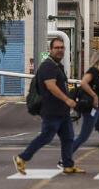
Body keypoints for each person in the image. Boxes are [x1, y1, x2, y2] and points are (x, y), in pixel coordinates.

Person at [13, 37, 84, 175]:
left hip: (62, 111)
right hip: (52, 110)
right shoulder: (48, 66)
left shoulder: (57, 66)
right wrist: (67, 100)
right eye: (56, 48)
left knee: (68, 137)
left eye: (62, 48)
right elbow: (51, 86)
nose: (60, 50)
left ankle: (68, 165)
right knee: (46, 136)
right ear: (50, 50)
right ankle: (22, 158)